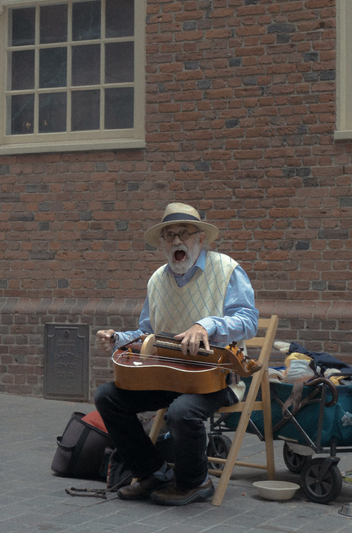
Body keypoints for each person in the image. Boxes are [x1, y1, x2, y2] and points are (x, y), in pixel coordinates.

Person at [94, 203, 259, 506]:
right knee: (107, 396)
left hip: (217, 378)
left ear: (200, 240)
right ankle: (153, 472)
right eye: (169, 236)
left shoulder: (227, 270)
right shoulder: (157, 280)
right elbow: (147, 332)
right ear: (162, 245)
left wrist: (206, 326)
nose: (176, 242)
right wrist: (118, 339)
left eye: (184, 234)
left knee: (181, 412)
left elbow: (248, 322)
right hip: (166, 376)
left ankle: (195, 482)